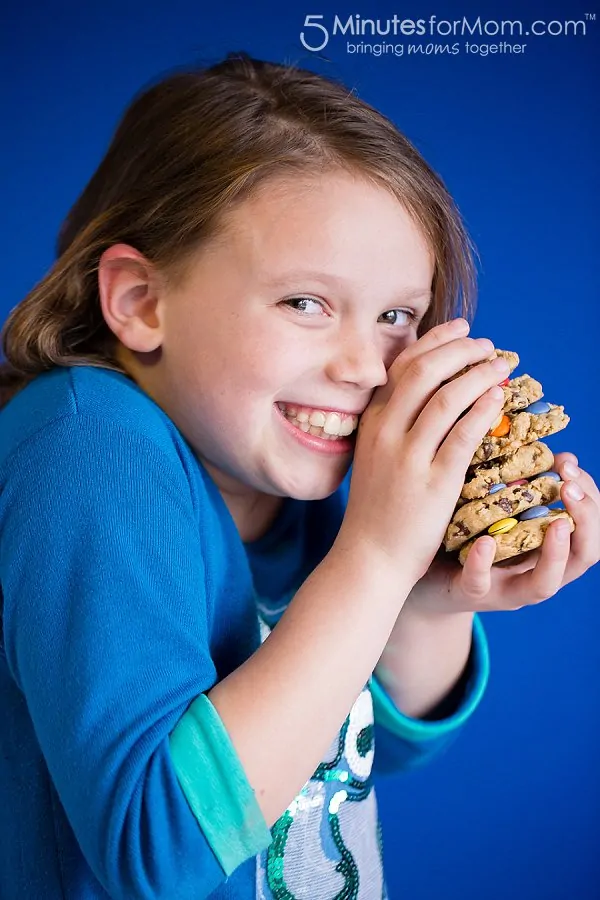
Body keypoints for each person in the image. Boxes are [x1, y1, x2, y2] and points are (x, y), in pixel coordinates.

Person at [0, 51, 597, 900]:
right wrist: (377, 562)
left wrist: (427, 598)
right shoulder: (90, 452)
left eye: (398, 315)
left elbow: (360, 747)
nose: (364, 364)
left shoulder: (274, 481)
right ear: (140, 301)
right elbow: (155, 846)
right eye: (305, 304)